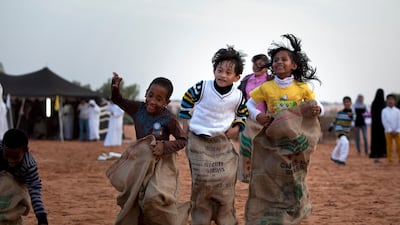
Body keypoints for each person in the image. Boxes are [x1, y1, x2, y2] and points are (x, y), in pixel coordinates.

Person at [245, 34, 323, 224]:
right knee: (272, 173)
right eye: (276, 60)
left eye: (284, 59)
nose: (279, 62)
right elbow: (249, 104)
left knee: (293, 174)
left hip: (295, 139)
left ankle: (295, 207)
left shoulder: (302, 87)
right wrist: (258, 116)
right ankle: (272, 209)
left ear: (293, 65)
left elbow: (315, 104)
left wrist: (317, 109)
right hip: (272, 137)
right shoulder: (266, 87)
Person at [179, 45, 248, 225]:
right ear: (213, 70)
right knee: (202, 180)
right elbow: (186, 100)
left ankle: (224, 215)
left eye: (228, 72)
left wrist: (236, 128)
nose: (222, 75)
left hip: (222, 142)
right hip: (198, 140)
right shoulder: (203, 87)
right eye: (219, 70)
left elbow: (243, 113)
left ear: (237, 77)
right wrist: (185, 123)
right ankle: (200, 216)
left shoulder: (238, 96)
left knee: (224, 180)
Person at [111, 73, 187, 224]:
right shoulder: (138, 109)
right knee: (135, 199)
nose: (152, 101)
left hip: (161, 164)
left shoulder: (169, 118)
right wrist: (115, 88)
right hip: (140, 163)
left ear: (167, 102)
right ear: (146, 93)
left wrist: (164, 146)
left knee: (153, 197)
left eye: (159, 99)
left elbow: (183, 140)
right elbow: (117, 100)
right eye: (150, 95)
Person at [237, 54, 273, 183]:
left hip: (267, 120)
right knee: (246, 146)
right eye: (254, 64)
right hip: (248, 119)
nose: (256, 67)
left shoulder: (271, 80)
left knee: (264, 148)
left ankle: (265, 175)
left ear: (266, 67)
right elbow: (239, 96)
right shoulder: (247, 79)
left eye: (260, 65)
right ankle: (246, 176)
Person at [0, 128, 48, 225]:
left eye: (15, 157)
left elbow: (34, 189)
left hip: (17, 185)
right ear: (2, 147)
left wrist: (41, 217)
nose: (11, 160)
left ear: (25, 151)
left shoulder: (29, 165)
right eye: (7, 155)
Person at [330, 96, 353, 165]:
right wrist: (331, 126)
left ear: (350, 103)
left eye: (348, 102)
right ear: (343, 103)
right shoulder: (340, 112)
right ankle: (341, 159)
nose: (346, 103)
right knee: (345, 142)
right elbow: (335, 120)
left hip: (346, 131)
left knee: (341, 143)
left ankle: (334, 156)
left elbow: (354, 120)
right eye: (345, 102)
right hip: (339, 130)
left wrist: (351, 117)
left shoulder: (352, 113)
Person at [381, 94, 400, 163]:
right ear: (386, 101)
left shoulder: (398, 111)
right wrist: (390, 130)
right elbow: (384, 121)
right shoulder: (384, 111)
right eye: (389, 99)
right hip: (388, 131)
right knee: (389, 146)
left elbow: (399, 121)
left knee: (399, 145)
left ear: (395, 101)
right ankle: (390, 159)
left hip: (397, 131)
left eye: (392, 99)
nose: (390, 101)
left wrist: (398, 129)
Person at [369, 88, 387, 162]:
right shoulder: (383, 104)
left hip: (375, 125)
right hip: (382, 125)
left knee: (375, 139)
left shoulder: (374, 103)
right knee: (382, 139)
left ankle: (375, 153)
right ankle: (382, 152)